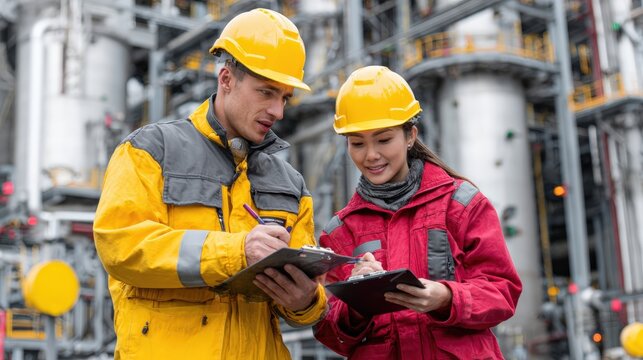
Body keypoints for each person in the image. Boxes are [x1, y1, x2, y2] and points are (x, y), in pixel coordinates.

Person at [93, 8, 327, 359]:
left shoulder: (289, 183)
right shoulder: (151, 150)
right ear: (226, 79)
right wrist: (236, 252)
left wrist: (306, 301)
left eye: (284, 98)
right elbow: (121, 247)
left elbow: (305, 306)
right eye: (266, 92)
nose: (278, 111)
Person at [313, 65, 522, 359]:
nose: (371, 154)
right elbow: (330, 331)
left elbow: (503, 291)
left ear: (410, 135)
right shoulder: (340, 232)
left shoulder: (460, 204)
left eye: (383, 140)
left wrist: (447, 298)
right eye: (357, 143)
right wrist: (358, 301)